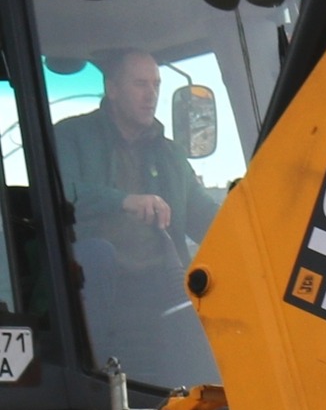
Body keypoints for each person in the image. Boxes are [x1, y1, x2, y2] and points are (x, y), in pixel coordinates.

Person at [51, 48, 217, 384]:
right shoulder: (70, 137)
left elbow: (205, 217)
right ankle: (90, 382)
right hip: (89, 287)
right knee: (97, 255)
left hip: (161, 284)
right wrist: (123, 200)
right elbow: (61, 193)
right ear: (112, 90)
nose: (151, 94)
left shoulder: (170, 154)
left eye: (156, 84)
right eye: (141, 84)